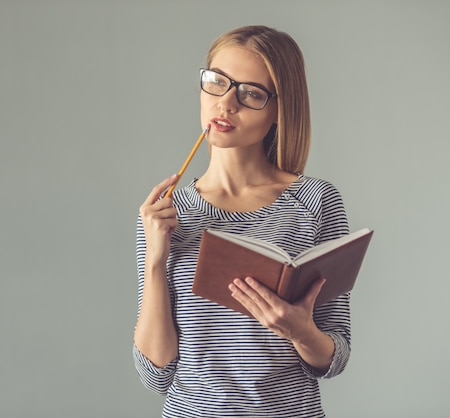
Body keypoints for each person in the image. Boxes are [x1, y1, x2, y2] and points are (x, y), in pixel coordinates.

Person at [133, 25, 351, 418]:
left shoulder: (316, 202)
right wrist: (154, 263)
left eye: (250, 93)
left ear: (280, 110)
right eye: (217, 82)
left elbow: (334, 357)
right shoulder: (165, 211)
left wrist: (300, 331)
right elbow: (156, 375)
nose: (226, 103)